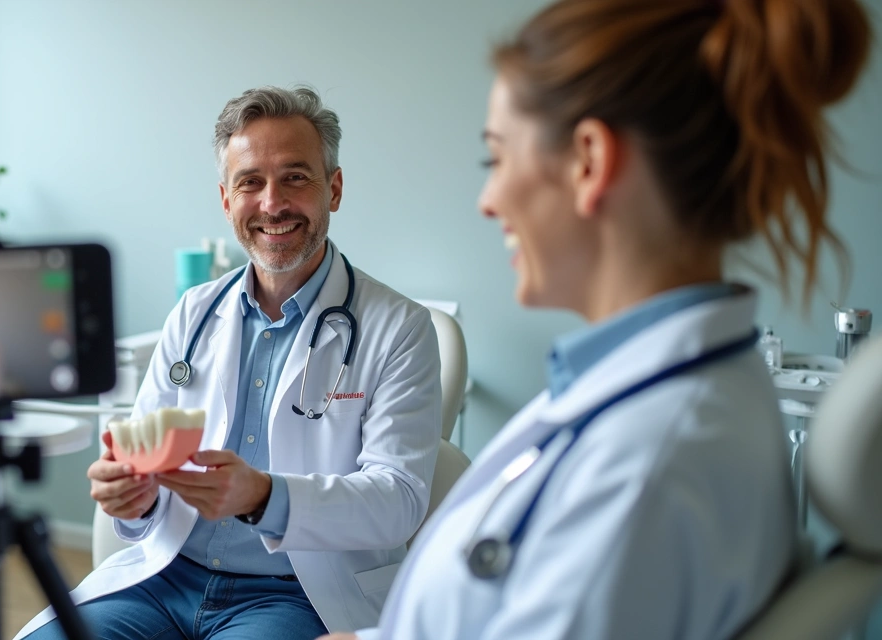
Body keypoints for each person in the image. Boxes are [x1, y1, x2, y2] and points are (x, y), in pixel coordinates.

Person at [317, 1, 874, 639]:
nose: (488, 200)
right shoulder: (659, 395)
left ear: (588, 162)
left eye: (495, 159)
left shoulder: (648, 469)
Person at [16, 86, 442, 639]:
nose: (272, 203)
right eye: (250, 182)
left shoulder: (400, 327)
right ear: (226, 199)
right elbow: (145, 469)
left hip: (296, 594)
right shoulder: (194, 313)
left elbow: (399, 501)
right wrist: (133, 497)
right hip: (163, 579)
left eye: (295, 177)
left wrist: (266, 496)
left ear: (333, 189)